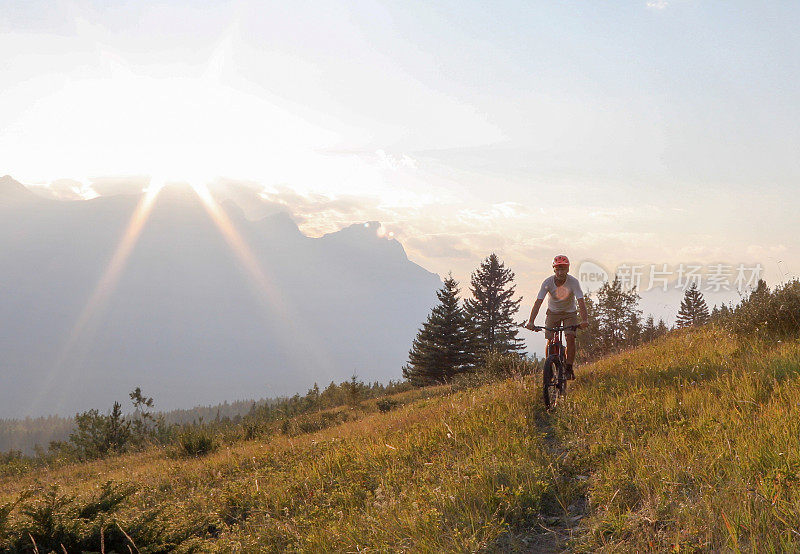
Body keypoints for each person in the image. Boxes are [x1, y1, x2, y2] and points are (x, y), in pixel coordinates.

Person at [524, 255, 589, 380]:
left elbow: (581, 301)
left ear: (568, 269)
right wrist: (531, 321)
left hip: (570, 313)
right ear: (554, 269)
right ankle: (550, 366)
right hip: (553, 313)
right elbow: (538, 302)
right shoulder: (547, 282)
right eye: (557, 269)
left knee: (570, 338)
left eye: (563, 269)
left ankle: (569, 368)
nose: (560, 272)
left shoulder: (573, 282)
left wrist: (584, 320)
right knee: (550, 338)